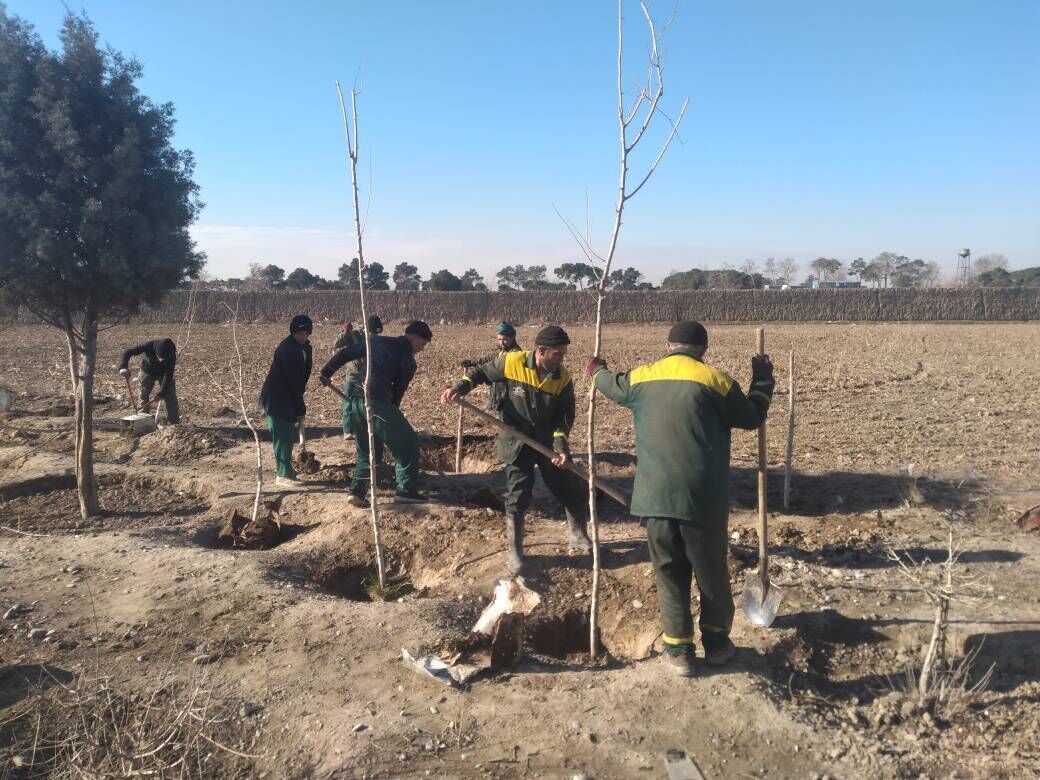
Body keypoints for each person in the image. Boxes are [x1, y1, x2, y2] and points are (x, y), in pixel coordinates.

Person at [588, 321, 775, 676]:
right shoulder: (715, 381)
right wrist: (763, 379)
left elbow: (609, 384)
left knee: (669, 573)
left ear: (668, 345)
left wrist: (597, 369)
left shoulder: (642, 378)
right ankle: (718, 646)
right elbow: (752, 416)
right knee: (711, 575)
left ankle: (679, 652)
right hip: (701, 501)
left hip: (654, 501)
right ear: (703, 350)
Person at [440, 325, 592, 576]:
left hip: (546, 443)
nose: (562, 358)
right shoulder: (512, 362)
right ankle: (516, 552)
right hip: (516, 440)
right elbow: (479, 373)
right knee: (518, 495)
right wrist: (459, 388)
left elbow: (565, 417)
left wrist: (560, 446)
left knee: (569, 487)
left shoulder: (561, 378)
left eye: (564, 353)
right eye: (558, 353)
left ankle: (578, 533)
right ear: (541, 351)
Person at [320, 320, 432, 505]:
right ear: (414, 338)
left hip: (355, 401)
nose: (421, 349)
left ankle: (357, 492)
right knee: (408, 442)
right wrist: (391, 417)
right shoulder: (408, 361)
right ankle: (406, 490)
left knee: (368, 451)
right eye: (422, 344)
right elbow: (397, 394)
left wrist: (327, 372)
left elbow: (346, 353)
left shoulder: (377, 342)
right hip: (378, 403)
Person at [259, 315, 313, 488]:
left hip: (287, 397)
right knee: (282, 437)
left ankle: (287, 470)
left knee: (287, 436)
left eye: (306, 333)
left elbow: (300, 379)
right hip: (277, 399)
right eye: (300, 333)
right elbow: (293, 381)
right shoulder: (288, 350)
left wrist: (298, 402)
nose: (304, 336)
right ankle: (282, 474)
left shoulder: (301, 348)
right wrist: (299, 406)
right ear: (293, 332)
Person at [333, 315, 383, 448]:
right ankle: (348, 430)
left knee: (366, 403)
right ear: (367, 329)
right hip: (354, 374)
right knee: (348, 402)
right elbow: (336, 344)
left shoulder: (375, 339)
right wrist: (345, 332)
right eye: (372, 333)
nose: (374, 336)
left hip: (367, 375)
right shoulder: (354, 334)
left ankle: (366, 429)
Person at [460, 321, 521, 411]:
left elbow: (497, 368)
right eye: (499, 339)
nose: (502, 343)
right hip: (498, 392)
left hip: (508, 395)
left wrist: (485, 375)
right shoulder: (501, 350)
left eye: (505, 339)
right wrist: (472, 363)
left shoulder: (515, 354)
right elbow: (487, 360)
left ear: (512, 338)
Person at [119, 338, 179, 423]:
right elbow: (127, 352)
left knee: (170, 397)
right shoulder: (148, 345)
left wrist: (161, 393)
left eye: (163, 359)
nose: (161, 361)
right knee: (143, 396)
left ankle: (174, 424)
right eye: (160, 358)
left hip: (164, 374)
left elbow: (168, 375)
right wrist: (123, 367)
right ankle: (141, 422)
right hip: (147, 371)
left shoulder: (171, 355)